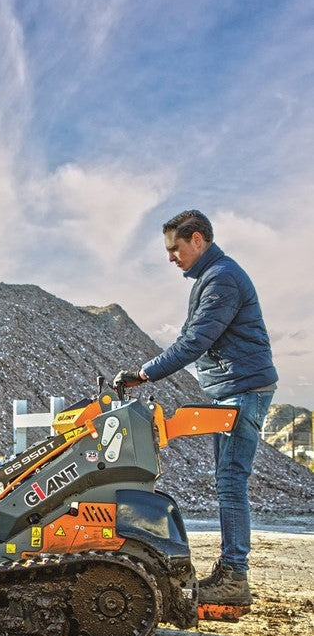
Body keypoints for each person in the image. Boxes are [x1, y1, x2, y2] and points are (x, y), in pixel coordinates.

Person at [114, 209, 277, 607]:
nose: (171, 257)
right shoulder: (210, 277)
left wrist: (144, 373)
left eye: (175, 248)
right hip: (233, 390)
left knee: (230, 483)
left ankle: (234, 577)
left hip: (244, 390)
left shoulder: (221, 278)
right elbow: (191, 336)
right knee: (227, 481)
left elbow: (194, 342)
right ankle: (230, 571)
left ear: (198, 239)